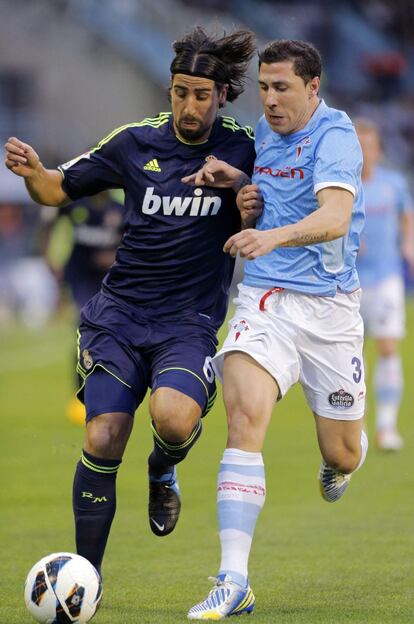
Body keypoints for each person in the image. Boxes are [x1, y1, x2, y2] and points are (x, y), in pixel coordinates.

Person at [4, 26, 256, 576]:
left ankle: (163, 469)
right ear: (169, 90)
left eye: (202, 95)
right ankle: (86, 579)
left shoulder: (245, 147)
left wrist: (241, 189)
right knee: (102, 435)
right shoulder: (133, 141)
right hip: (118, 316)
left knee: (170, 419)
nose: (189, 106)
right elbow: (54, 189)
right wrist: (32, 173)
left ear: (221, 96)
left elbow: (272, 209)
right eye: (180, 92)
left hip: (188, 322)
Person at [185, 39, 368, 620]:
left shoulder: (336, 138)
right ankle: (233, 578)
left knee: (341, 452)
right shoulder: (265, 130)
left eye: (282, 87)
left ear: (314, 87)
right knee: (243, 418)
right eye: (264, 87)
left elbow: (335, 216)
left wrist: (271, 235)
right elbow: (275, 186)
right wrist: (236, 178)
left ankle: (343, 456)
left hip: (331, 311)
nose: (269, 99)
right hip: (265, 297)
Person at [355, 119, 414, 451]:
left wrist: (408, 245)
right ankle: (356, 426)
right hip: (349, 282)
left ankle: (386, 427)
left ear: (378, 149)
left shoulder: (392, 184)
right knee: (353, 356)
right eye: (359, 147)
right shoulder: (343, 187)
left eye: (369, 146)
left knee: (389, 347)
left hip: (387, 276)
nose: (365, 152)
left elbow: (408, 215)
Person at [47, 190, 127, 425]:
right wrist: (48, 257)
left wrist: (113, 257)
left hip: (110, 281)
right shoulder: (75, 206)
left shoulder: (119, 210)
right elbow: (49, 223)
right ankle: (79, 395)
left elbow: (135, 242)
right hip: (80, 279)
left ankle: (112, 393)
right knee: (82, 332)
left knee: (112, 337)